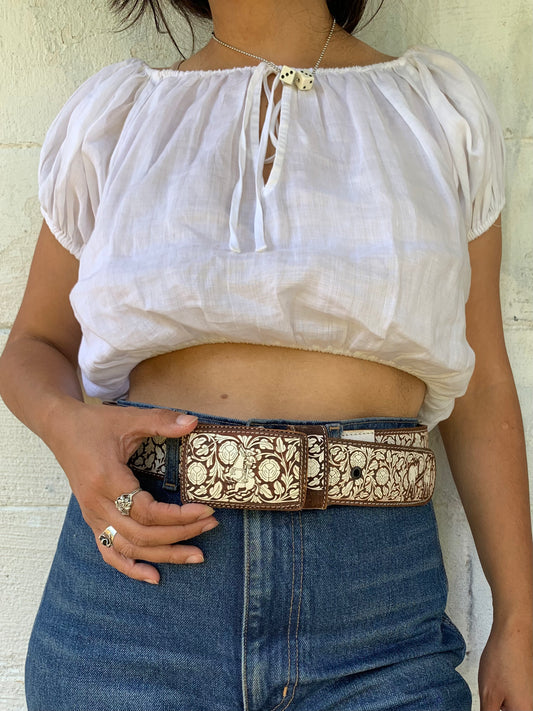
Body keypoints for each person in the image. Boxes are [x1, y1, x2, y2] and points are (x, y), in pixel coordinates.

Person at [0, 0, 531, 709]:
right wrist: (68, 431)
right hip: (137, 606)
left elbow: (483, 383)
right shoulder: (118, 116)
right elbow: (32, 346)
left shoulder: (436, 110)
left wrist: (518, 617)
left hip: (376, 618)